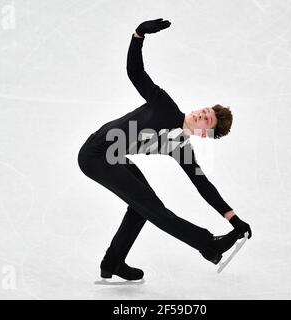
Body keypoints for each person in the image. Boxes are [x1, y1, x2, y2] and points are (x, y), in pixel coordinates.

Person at [78, 18, 252, 281]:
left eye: (207, 119)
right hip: (96, 153)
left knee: (141, 207)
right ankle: (208, 245)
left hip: (112, 157)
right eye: (205, 110)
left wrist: (234, 219)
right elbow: (136, 74)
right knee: (154, 209)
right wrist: (138, 35)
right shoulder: (165, 106)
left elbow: (203, 185)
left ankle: (113, 262)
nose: (201, 113)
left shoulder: (181, 145)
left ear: (205, 133)